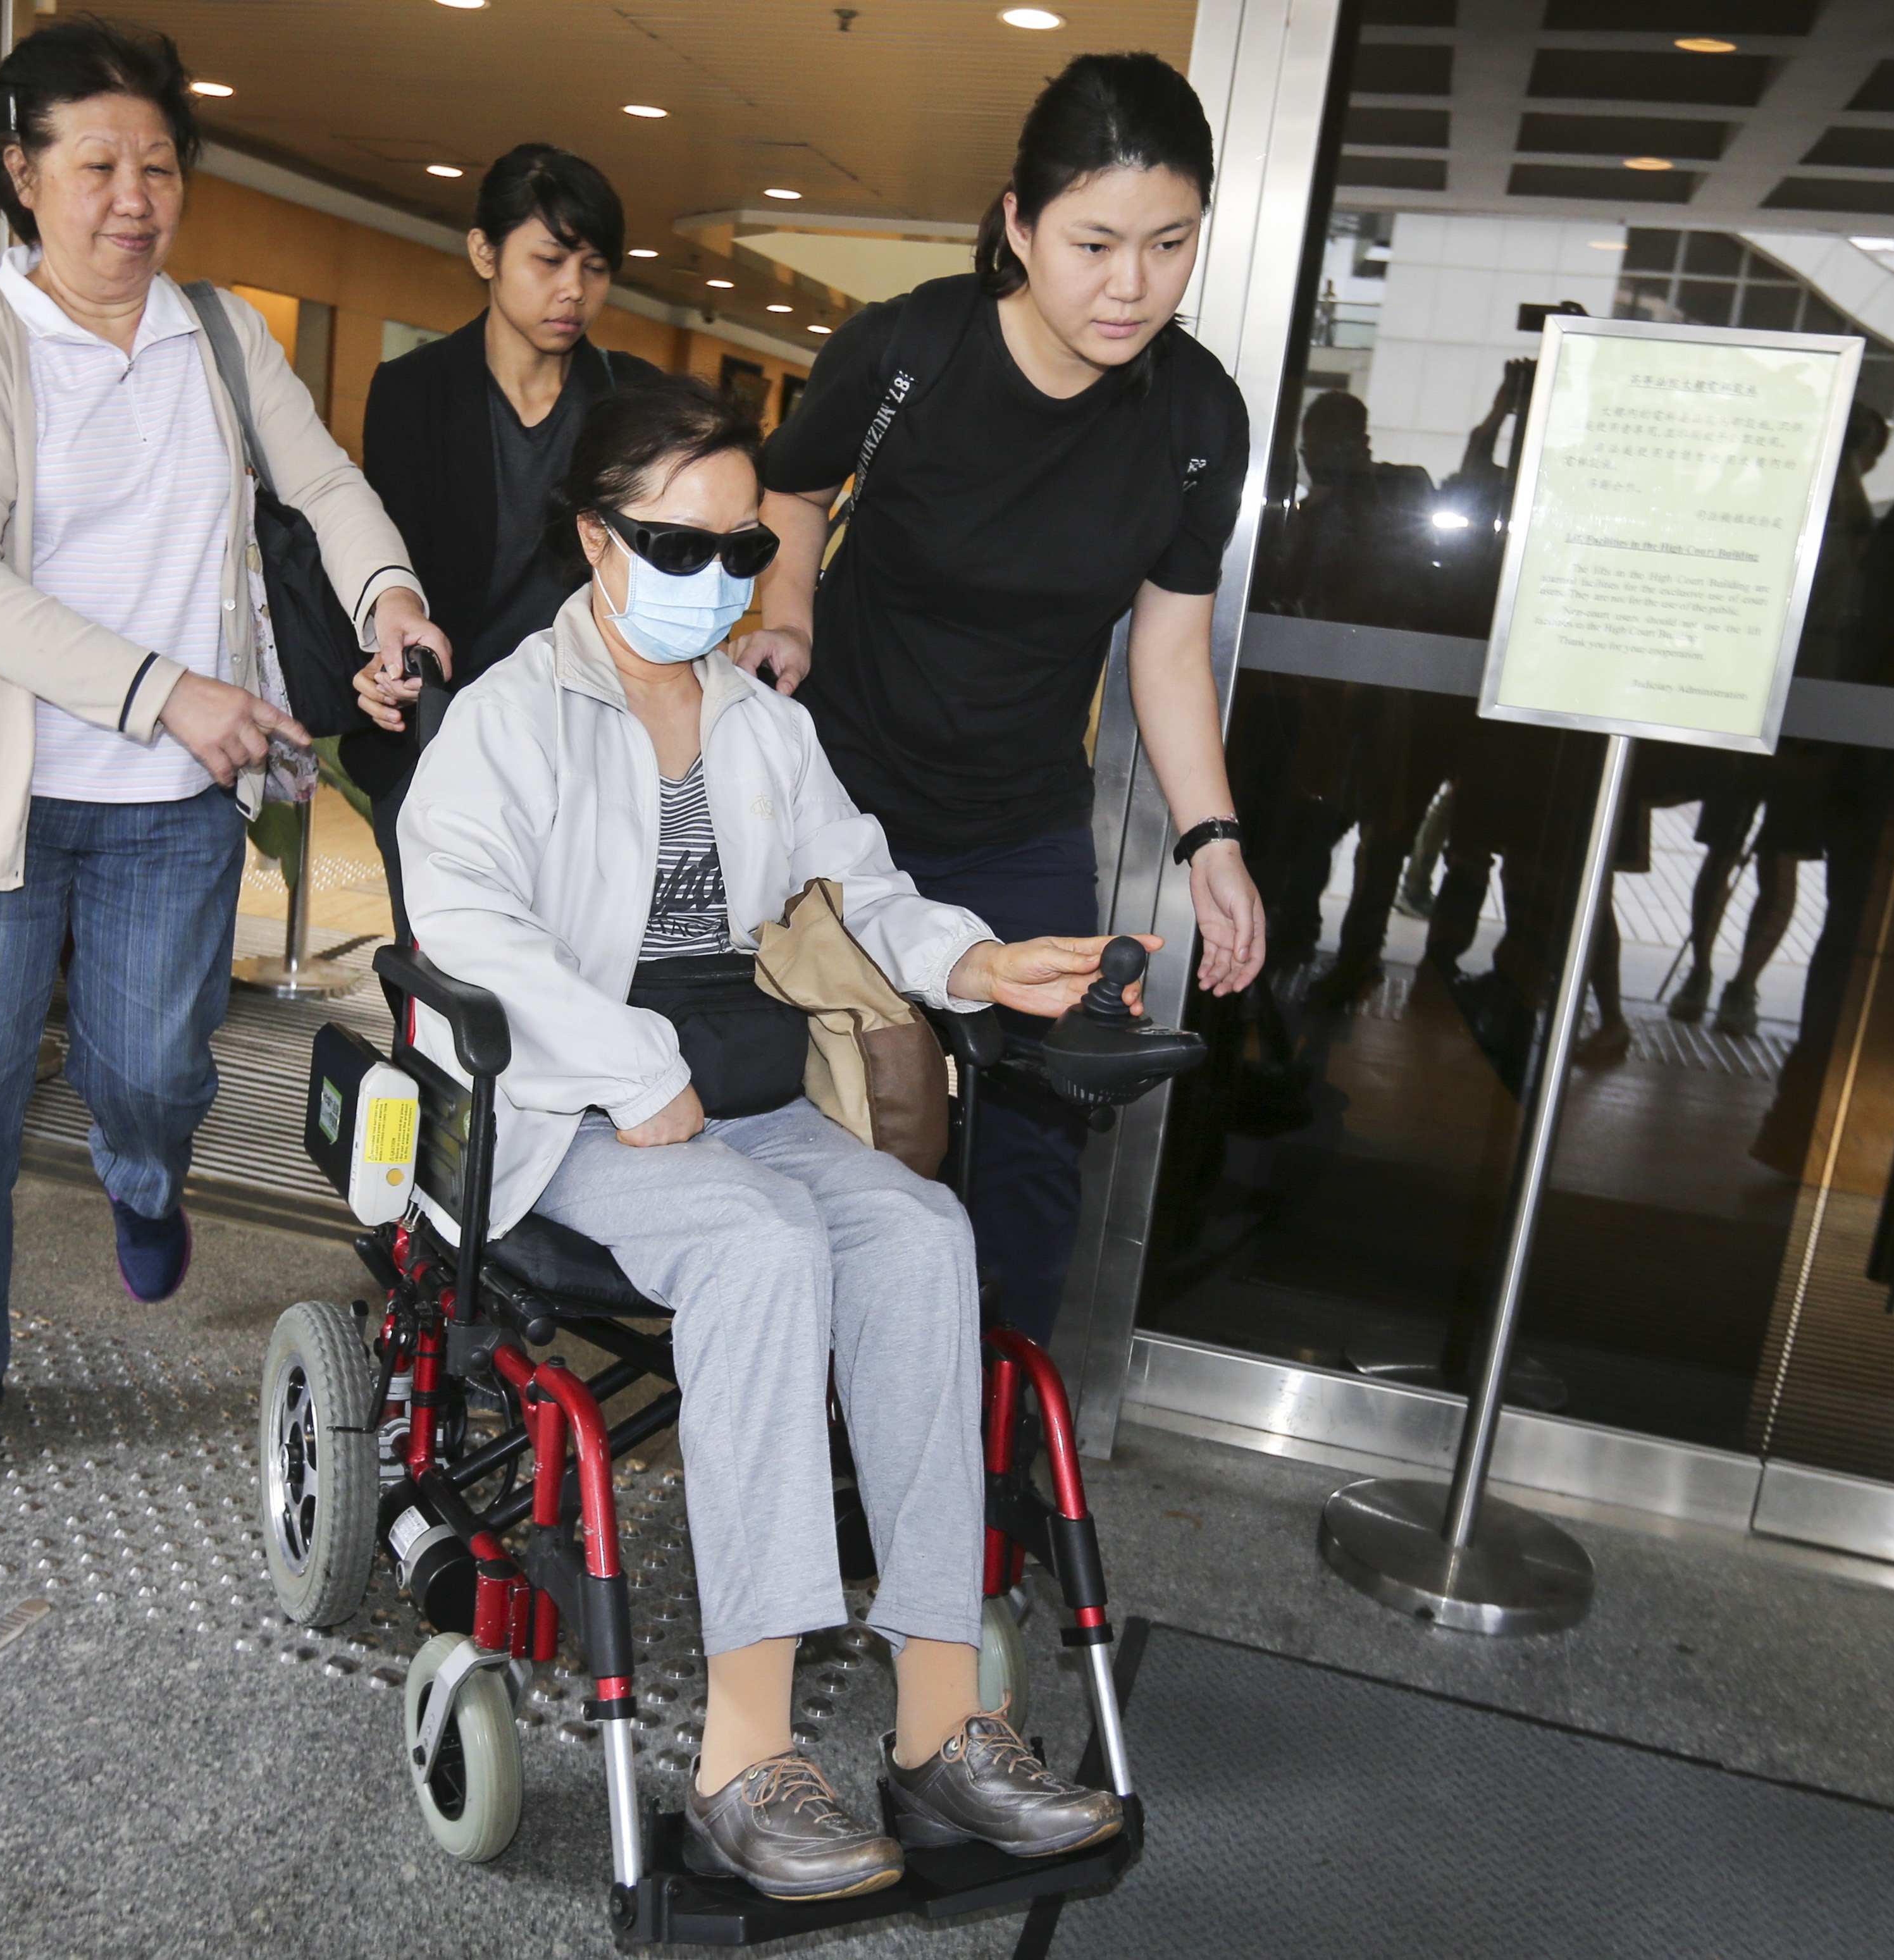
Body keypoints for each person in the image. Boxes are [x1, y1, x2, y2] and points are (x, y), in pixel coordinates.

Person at [399, 376, 1130, 1901]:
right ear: (596, 541)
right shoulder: (508, 719)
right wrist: (621, 1058)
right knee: (760, 1245)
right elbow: (465, 924)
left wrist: (977, 961)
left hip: (738, 1095)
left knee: (924, 1234)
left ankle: (943, 1722)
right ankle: (744, 1757)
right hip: (565, 1107)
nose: (720, 584)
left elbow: (855, 890)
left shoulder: (754, 721)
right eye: (683, 549)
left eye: (744, 552)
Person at [0, 19, 444, 1477]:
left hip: (167, 807)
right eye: (96, 165)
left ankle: (142, 1177)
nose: (134, 197)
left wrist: (390, 599)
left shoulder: (221, 334)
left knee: (155, 1075)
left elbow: (320, 480)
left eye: (158, 165)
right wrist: (163, 688)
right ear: (22, 172)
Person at [746, 52, 1266, 1343]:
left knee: (1033, 1148)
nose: (1129, 284)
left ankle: (983, 1455)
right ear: (1019, 225)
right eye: (1093, 242)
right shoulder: (908, 349)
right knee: (825, 1109)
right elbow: (789, 492)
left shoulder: (1195, 416)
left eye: (1167, 243)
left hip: (1021, 824)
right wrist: (787, 613)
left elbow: (1163, 650)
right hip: (839, 799)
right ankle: (805, 1404)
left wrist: (1212, 840)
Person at [348, 144, 660, 936]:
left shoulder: (633, 399)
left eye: (594, 267)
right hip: (440, 740)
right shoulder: (416, 392)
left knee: (576, 975)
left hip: (589, 749)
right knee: (444, 985)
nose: (573, 290)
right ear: (483, 252)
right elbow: (388, 559)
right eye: (549, 260)